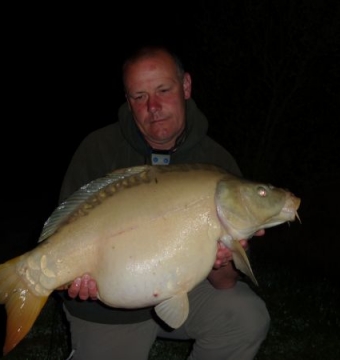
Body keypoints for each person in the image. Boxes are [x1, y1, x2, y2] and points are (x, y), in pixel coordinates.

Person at [58, 45, 270, 360]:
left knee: (244, 316)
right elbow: (63, 241)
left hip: (184, 291)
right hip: (110, 306)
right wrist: (70, 279)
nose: (153, 107)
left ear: (186, 86)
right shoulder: (98, 150)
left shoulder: (216, 163)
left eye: (163, 90)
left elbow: (225, 283)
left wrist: (223, 258)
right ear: (128, 101)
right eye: (139, 97)